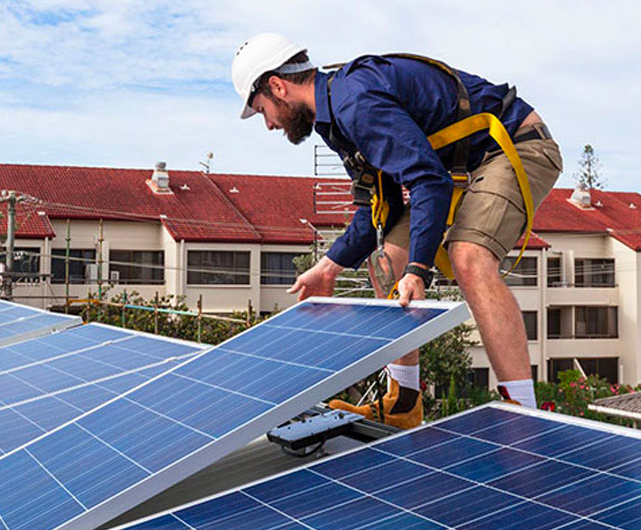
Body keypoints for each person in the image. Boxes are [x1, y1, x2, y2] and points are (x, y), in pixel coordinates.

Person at [231, 33, 562, 428]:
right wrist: (329, 267)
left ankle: (523, 416)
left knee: (468, 257)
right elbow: (380, 207)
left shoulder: (355, 102)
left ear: (278, 86)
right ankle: (403, 403)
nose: (268, 124)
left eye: (263, 110)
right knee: (388, 259)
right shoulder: (334, 118)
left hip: (514, 145)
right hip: (456, 168)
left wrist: (418, 270)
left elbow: (428, 182)